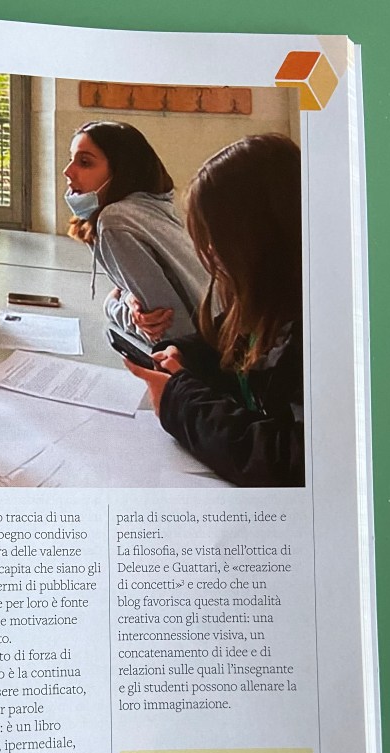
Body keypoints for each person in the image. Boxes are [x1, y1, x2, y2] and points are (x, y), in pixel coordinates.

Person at [125, 133, 303, 488]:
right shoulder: (266, 296)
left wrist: (180, 402)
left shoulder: (325, 328)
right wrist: (186, 356)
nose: (210, 253)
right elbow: (225, 341)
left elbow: (288, 460)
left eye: (218, 240)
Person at [63, 121, 209, 344]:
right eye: (71, 159)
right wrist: (128, 297)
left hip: (202, 355)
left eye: (85, 162)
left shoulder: (114, 221)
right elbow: (132, 290)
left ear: (121, 171)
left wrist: (113, 307)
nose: (67, 171)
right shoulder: (151, 206)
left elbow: (166, 331)